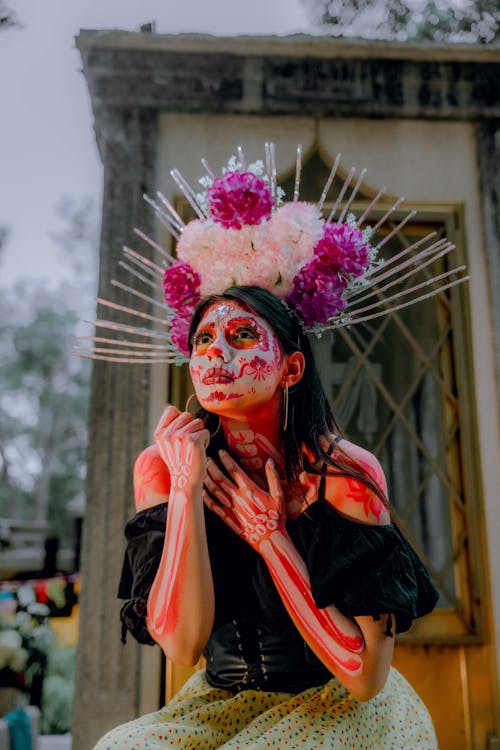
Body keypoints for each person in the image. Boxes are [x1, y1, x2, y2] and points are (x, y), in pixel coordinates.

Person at [87, 146, 461, 748]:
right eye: (204, 340)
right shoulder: (162, 466)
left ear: (289, 368)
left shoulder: (342, 471)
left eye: (240, 336)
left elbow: (365, 676)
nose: (216, 354)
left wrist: (272, 539)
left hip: (342, 705)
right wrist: (185, 490)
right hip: (219, 704)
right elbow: (182, 648)